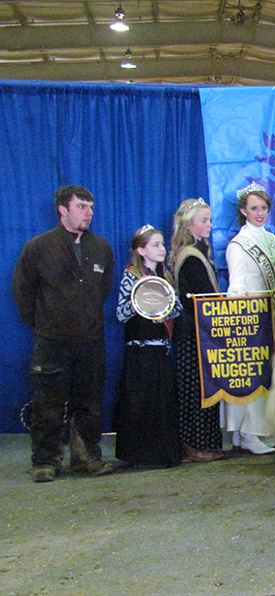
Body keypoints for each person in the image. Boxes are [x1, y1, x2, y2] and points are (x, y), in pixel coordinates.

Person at [13, 185, 115, 482]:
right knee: (47, 404)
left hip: (91, 339)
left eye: (91, 207)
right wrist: (47, 322)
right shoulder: (38, 247)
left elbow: (102, 289)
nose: (89, 212)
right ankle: (45, 461)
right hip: (51, 340)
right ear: (63, 210)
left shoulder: (101, 247)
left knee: (90, 402)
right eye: (82, 206)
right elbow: (23, 291)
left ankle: (87, 457)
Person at [114, 224, 183, 468]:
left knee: (161, 403)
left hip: (161, 349)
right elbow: (121, 314)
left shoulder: (165, 277)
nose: (162, 249)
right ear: (141, 250)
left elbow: (177, 308)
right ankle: (139, 455)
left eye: (162, 244)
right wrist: (139, 300)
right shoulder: (131, 276)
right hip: (139, 350)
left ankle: (162, 453)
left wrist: (163, 310)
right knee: (139, 403)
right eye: (155, 245)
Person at [222, 183, 275, 455]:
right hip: (249, 318)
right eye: (254, 208)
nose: (260, 213)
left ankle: (249, 433)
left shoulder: (271, 239)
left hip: (271, 315)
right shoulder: (238, 245)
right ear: (243, 211)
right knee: (250, 375)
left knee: (265, 374)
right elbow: (236, 286)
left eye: (264, 208)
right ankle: (247, 434)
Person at [170, 198, 224, 463]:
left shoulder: (197, 252)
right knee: (197, 388)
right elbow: (203, 298)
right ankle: (194, 444)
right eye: (204, 221)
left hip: (199, 330)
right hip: (195, 331)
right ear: (189, 225)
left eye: (210, 220)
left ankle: (201, 442)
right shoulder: (192, 256)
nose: (209, 226)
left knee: (202, 387)